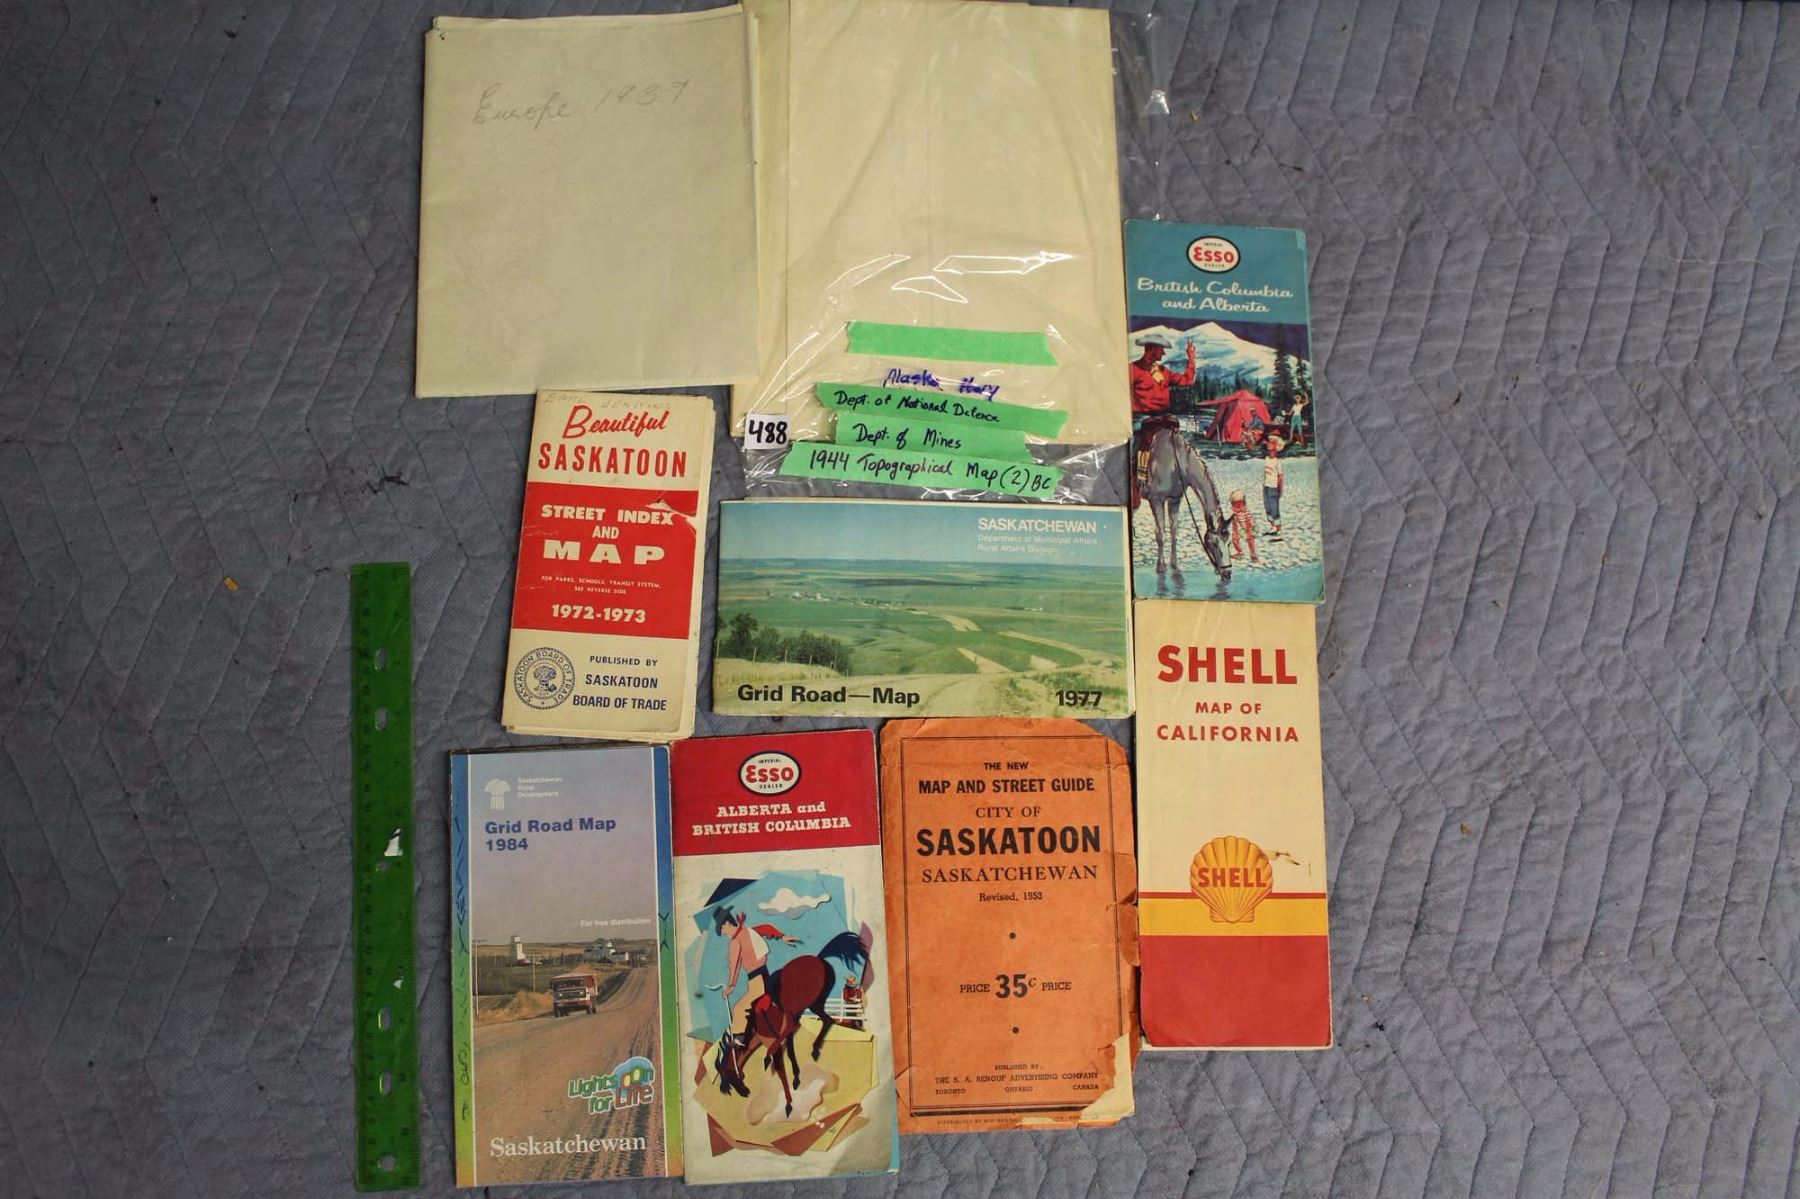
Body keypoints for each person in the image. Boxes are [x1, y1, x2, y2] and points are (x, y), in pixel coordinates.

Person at [1129, 333, 1196, 507]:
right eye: (1161, 350)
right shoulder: (1132, 370)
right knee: (1133, 450)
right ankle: (1133, 488)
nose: (1163, 353)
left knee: (1180, 443)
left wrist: (1191, 359)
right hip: (1141, 417)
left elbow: (1187, 380)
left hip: (1163, 417)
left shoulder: (1164, 372)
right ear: (1151, 349)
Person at [714, 908, 799, 1033]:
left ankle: (738, 1038)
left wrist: (731, 986)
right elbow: (767, 928)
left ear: (726, 924)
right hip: (763, 975)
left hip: (757, 981)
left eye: (722, 930)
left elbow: (734, 966)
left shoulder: (734, 942)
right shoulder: (749, 931)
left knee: (738, 1009)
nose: (724, 934)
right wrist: (782, 936)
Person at [1262, 433, 1285, 538]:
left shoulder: (1277, 462)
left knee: (1274, 508)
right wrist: (1263, 486)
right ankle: (1272, 526)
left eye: (1271, 443)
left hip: (1273, 487)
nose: (1268, 444)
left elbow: (1280, 477)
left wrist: (1280, 490)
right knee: (1267, 507)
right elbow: (1265, 474)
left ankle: (1279, 528)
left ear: (1276, 447)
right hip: (1266, 486)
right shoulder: (1267, 459)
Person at [1228, 489, 1257, 562]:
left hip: (1251, 529)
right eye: (1234, 506)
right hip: (1243, 529)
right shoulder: (1235, 514)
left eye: (1239, 506)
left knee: (1250, 541)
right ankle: (1240, 552)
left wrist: (1249, 533)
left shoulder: (1246, 513)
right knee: (1234, 539)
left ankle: (1253, 555)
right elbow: (1234, 525)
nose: (1237, 508)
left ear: (1244, 505)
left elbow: (1248, 524)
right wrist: (1235, 534)